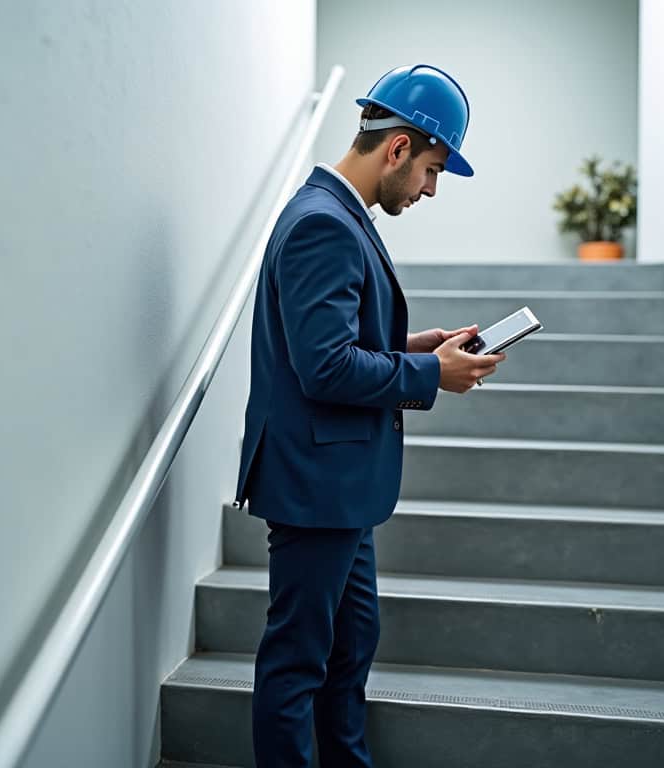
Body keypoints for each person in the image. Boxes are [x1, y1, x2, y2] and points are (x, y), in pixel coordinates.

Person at [233, 64, 504, 767]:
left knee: (352, 648)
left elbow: (333, 343)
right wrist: (431, 374)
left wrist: (415, 348)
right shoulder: (323, 224)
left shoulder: (337, 215)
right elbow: (323, 368)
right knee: (298, 664)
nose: (430, 189)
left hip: (342, 487)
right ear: (398, 148)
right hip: (317, 484)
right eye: (432, 170)